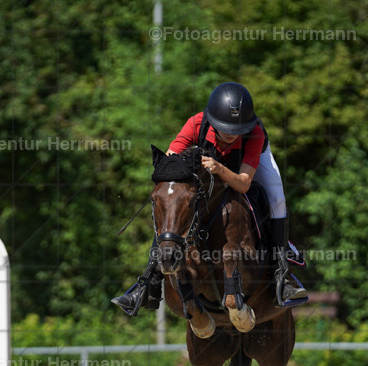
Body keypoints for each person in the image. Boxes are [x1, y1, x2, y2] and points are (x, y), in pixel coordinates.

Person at [112, 82, 307, 315]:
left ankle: (281, 274)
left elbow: (244, 184)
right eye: (226, 130)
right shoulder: (196, 124)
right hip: (209, 172)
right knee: (172, 201)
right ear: (214, 123)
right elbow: (169, 162)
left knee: (277, 197)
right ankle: (148, 282)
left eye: (238, 130)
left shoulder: (253, 132)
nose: (232, 136)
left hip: (243, 169)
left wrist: (219, 168)